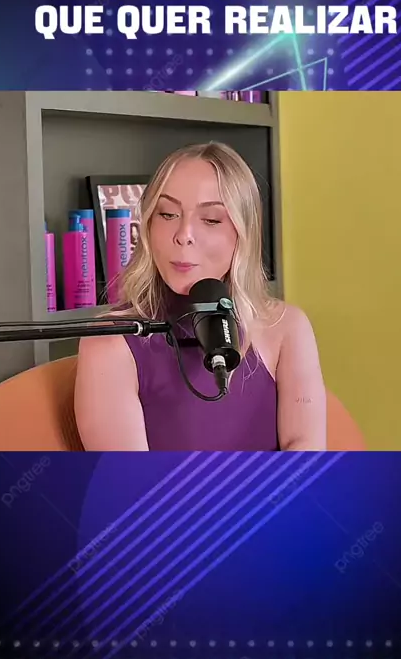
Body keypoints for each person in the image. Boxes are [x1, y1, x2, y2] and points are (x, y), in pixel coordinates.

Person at [74, 141, 326, 451]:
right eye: (168, 214)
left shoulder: (287, 326)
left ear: (243, 233)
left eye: (211, 220)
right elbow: (131, 477)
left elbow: (305, 453)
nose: (184, 235)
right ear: (148, 224)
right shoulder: (109, 341)